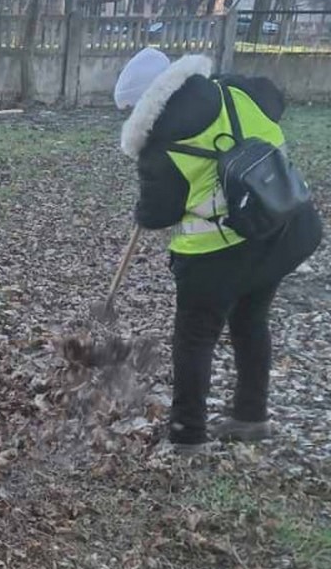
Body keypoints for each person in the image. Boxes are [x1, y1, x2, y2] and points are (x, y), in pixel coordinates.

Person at [115, 46, 322, 454]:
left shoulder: (160, 146)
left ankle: (187, 437)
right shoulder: (236, 91)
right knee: (251, 319)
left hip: (218, 255)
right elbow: (275, 99)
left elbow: (159, 214)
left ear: (146, 102)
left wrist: (143, 207)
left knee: (194, 338)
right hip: (282, 228)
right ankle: (251, 416)